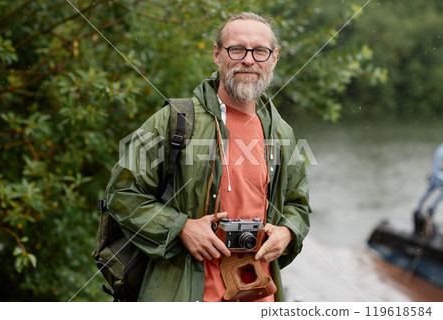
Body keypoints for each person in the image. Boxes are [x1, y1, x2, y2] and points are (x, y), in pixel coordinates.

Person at [106, 12, 311, 302]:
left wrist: (288, 233)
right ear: (217, 54)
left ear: (273, 58)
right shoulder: (175, 120)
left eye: (260, 51)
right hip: (184, 295)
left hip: (259, 298)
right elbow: (122, 194)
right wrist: (180, 228)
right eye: (237, 49)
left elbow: (297, 205)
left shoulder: (281, 133)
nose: (248, 60)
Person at [414, 143, 443, 235]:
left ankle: (424, 209)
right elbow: (437, 167)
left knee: (430, 191)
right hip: (437, 177)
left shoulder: (440, 149)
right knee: (431, 191)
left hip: (437, 177)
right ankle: (427, 210)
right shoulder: (440, 151)